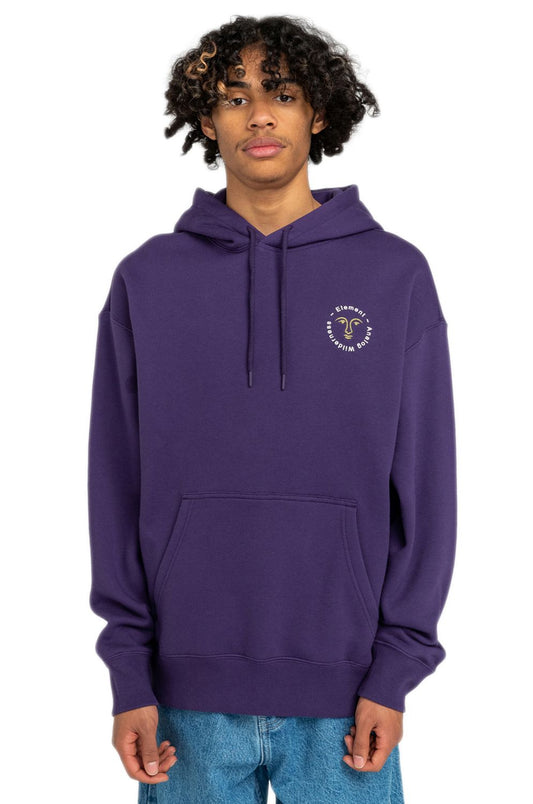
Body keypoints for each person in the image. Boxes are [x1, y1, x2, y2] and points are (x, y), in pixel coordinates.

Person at [87, 14, 457, 803]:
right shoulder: (146, 281)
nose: (258, 115)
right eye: (234, 98)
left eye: (282, 94)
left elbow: (427, 489)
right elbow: (113, 486)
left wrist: (395, 669)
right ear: (205, 121)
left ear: (318, 113)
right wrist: (128, 674)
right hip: (181, 700)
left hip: (348, 696)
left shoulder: (394, 276)